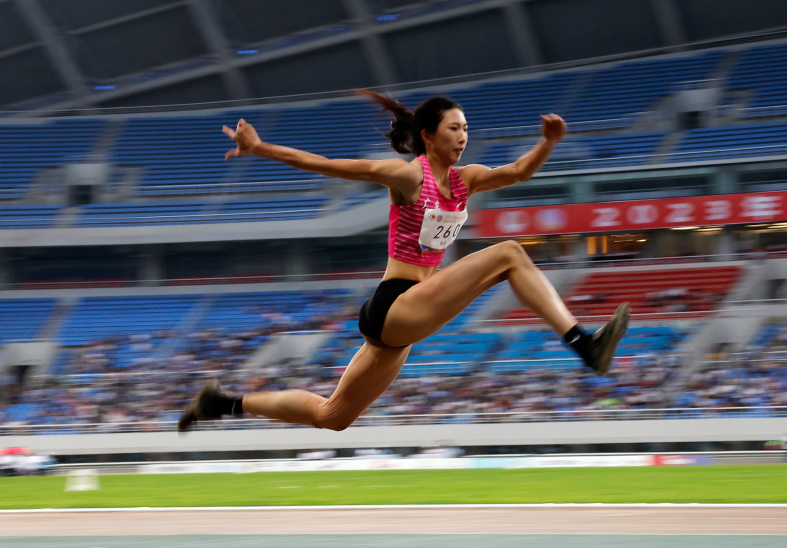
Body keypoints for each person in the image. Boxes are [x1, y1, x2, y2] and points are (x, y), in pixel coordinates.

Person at [177, 90, 631, 432]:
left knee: (333, 416)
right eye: (454, 128)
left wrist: (547, 142)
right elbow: (330, 165)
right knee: (510, 254)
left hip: (401, 323)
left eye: (467, 129)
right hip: (395, 303)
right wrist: (261, 149)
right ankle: (582, 344)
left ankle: (222, 403)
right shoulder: (407, 176)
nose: (463, 136)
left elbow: (517, 172)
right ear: (429, 135)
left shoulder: (466, 179)